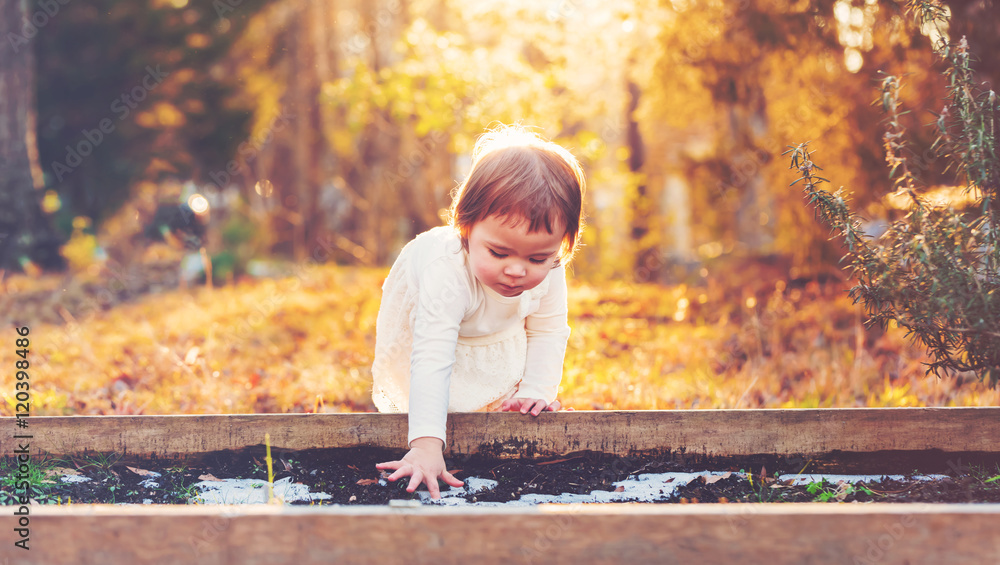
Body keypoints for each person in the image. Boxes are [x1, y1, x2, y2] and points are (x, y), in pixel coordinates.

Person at [371, 123, 586, 499]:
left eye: (537, 257)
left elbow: (548, 330)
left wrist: (538, 389)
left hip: (495, 327)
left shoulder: (550, 268)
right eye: (499, 253)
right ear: (465, 226)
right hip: (434, 323)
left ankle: (492, 405)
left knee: (497, 363)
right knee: (438, 376)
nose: (517, 269)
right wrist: (425, 447)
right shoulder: (448, 271)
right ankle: (431, 432)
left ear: (561, 245)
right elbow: (432, 355)